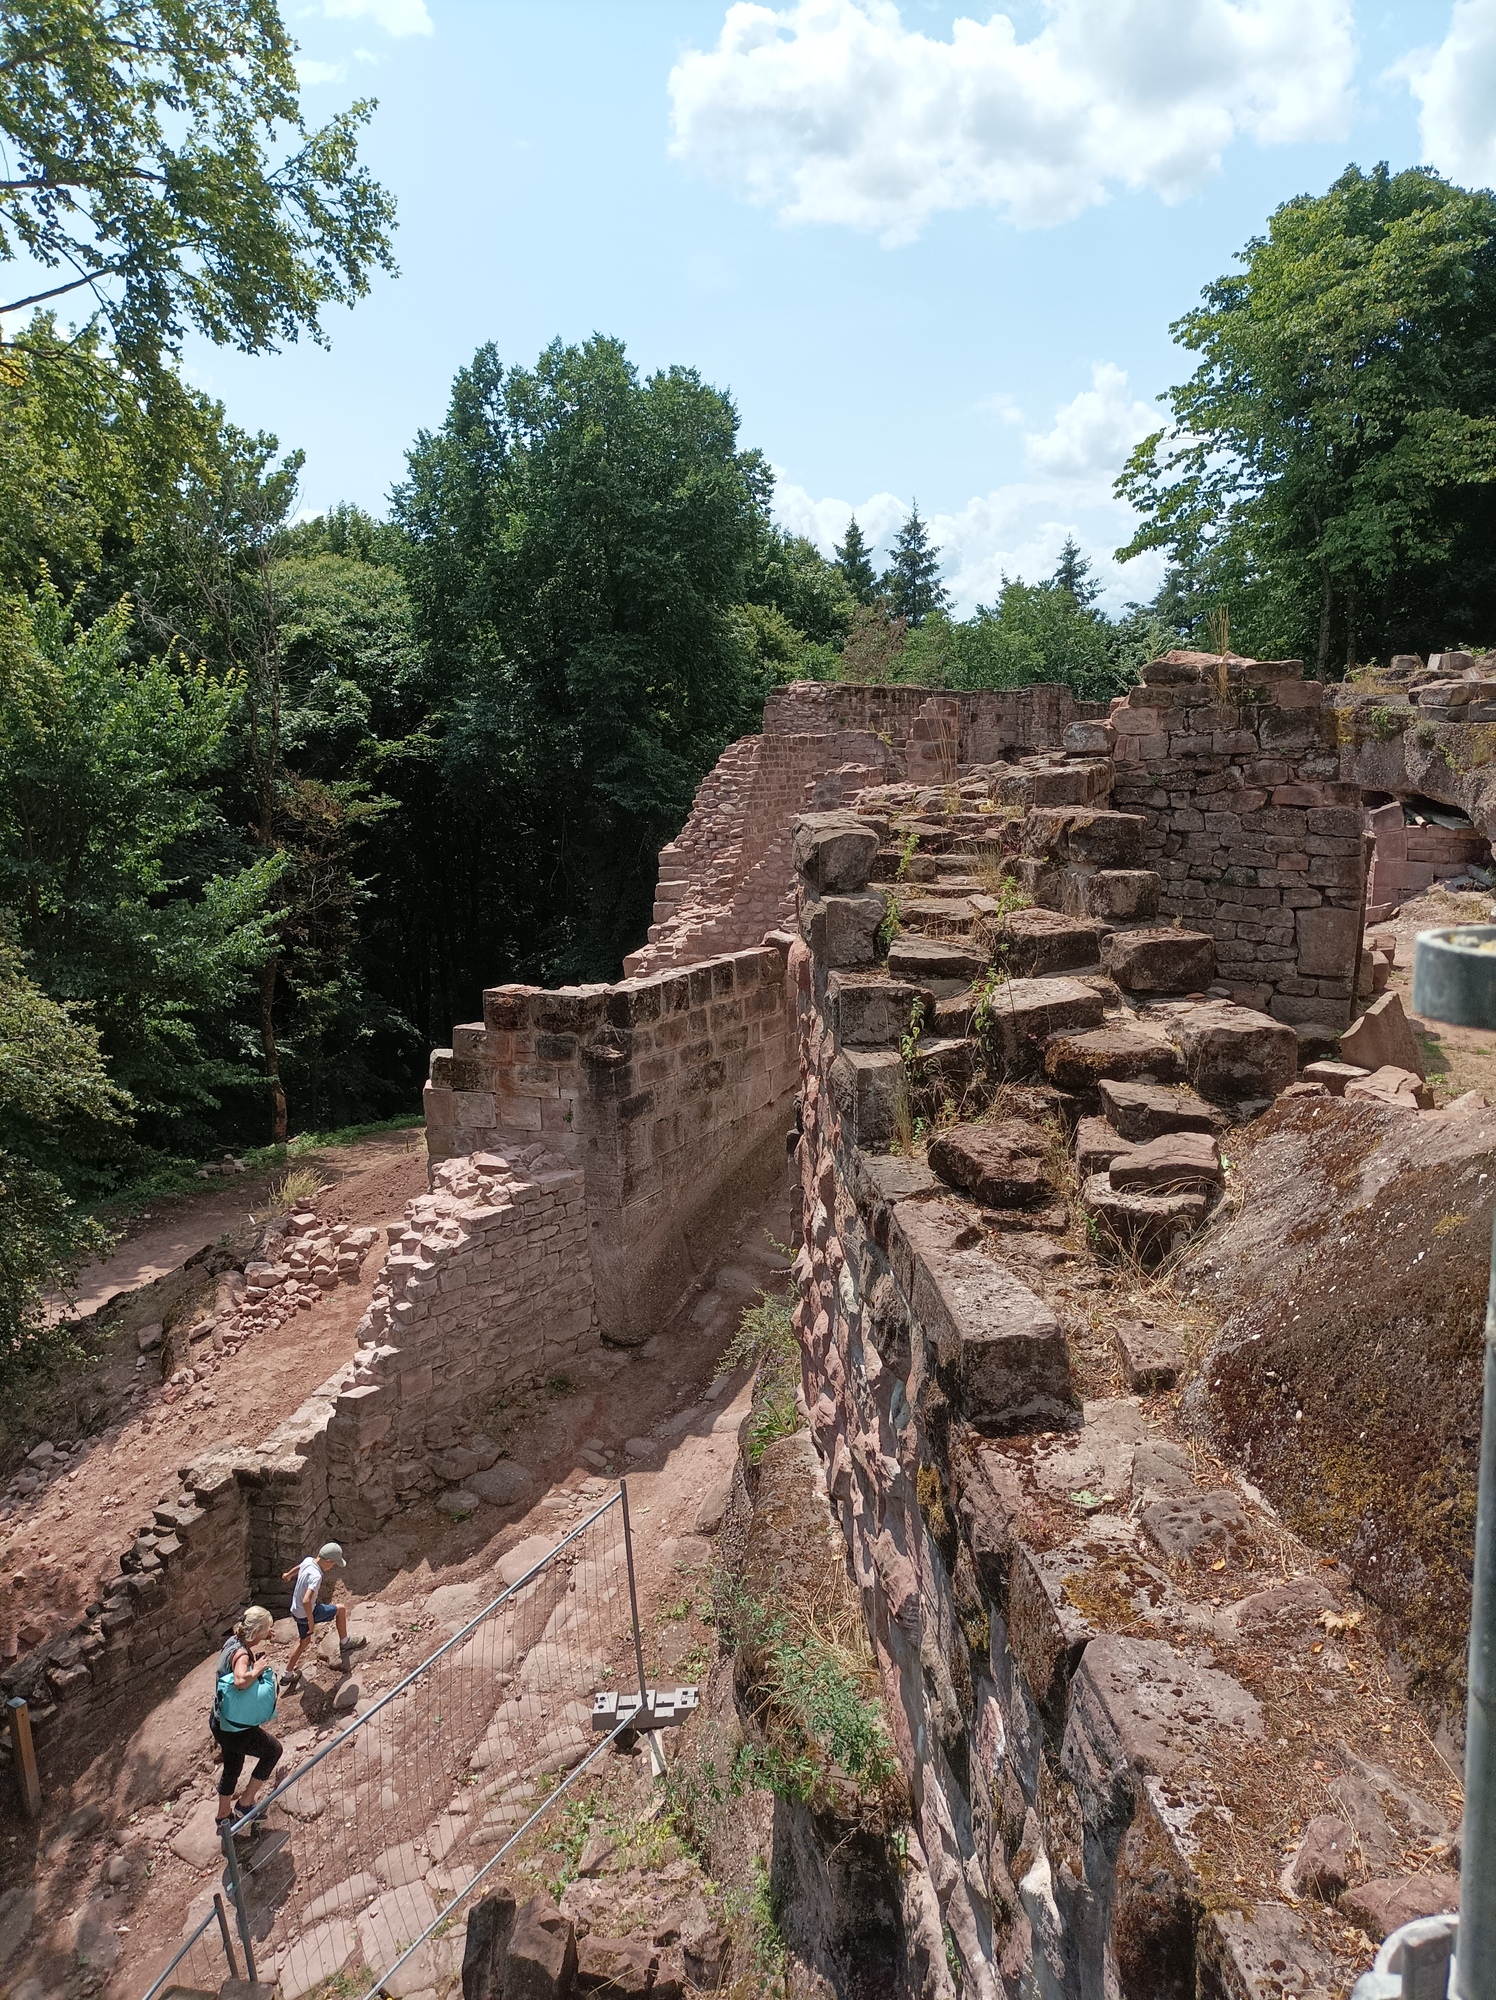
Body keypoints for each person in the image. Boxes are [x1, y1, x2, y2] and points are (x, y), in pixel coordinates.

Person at [211, 1606, 283, 1838]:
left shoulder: (233, 1640)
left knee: (233, 1765)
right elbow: (241, 1680)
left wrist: (262, 1635)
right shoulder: (242, 1654)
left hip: (221, 1720)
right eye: (265, 1629)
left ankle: (224, 1817)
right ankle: (246, 1803)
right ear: (256, 1631)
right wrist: (257, 1669)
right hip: (236, 1728)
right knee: (273, 1751)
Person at [280, 1541, 364, 1687]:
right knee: (341, 1609)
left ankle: (287, 1675)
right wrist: (311, 1622)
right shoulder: (316, 1576)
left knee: (304, 1642)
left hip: (296, 1611)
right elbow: (306, 1600)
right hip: (307, 1613)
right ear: (328, 1561)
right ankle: (345, 1643)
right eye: (334, 1564)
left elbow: (299, 1567)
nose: (333, 1567)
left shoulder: (308, 1560)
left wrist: (288, 1575)